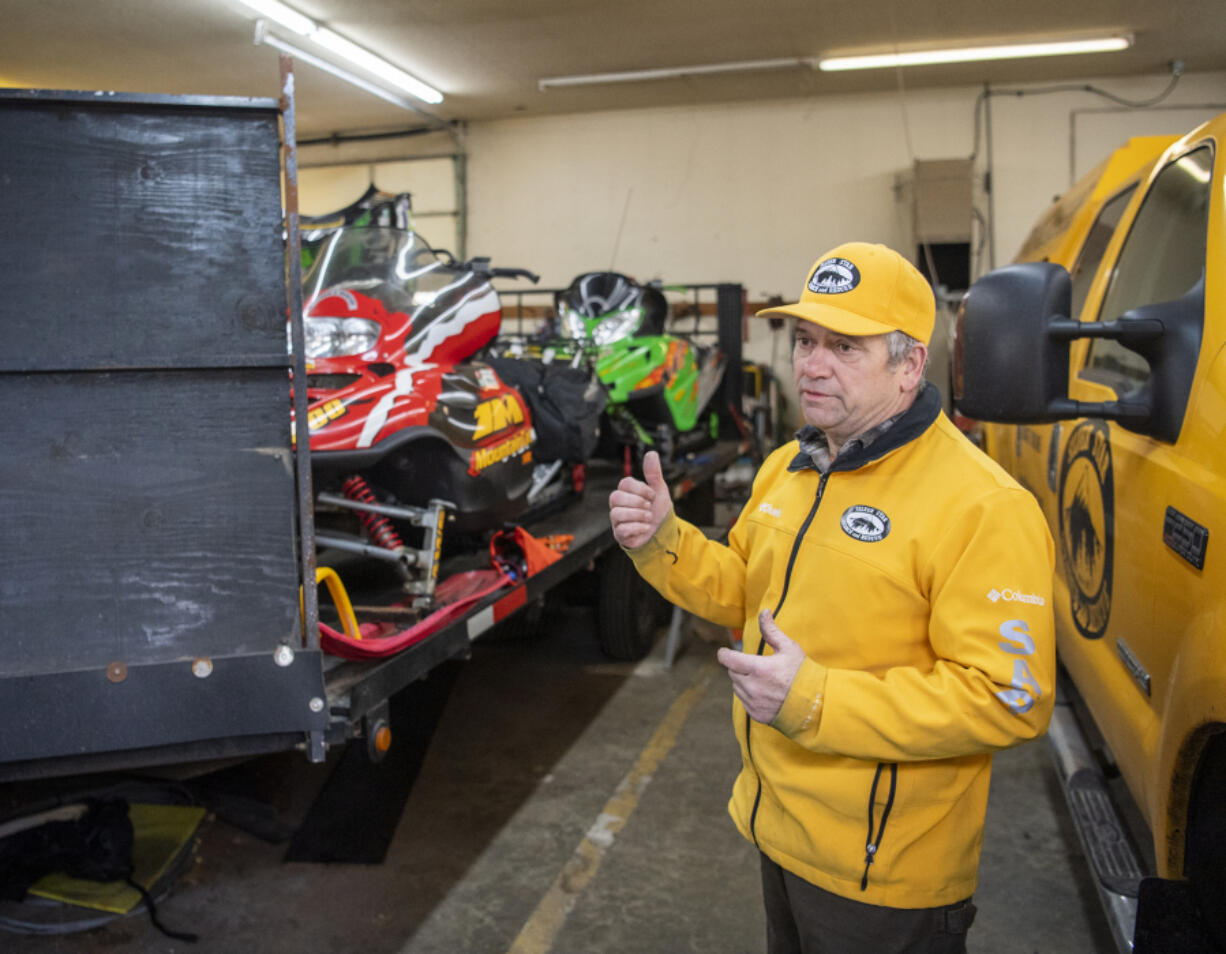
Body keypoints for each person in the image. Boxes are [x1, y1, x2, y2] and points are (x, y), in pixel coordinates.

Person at [608, 241, 1055, 954]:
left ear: (909, 365)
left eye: (845, 346)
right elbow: (742, 593)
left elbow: (1009, 696)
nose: (811, 364)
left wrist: (815, 702)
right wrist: (663, 539)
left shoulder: (983, 506)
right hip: (779, 830)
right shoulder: (791, 467)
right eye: (807, 340)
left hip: (883, 872)